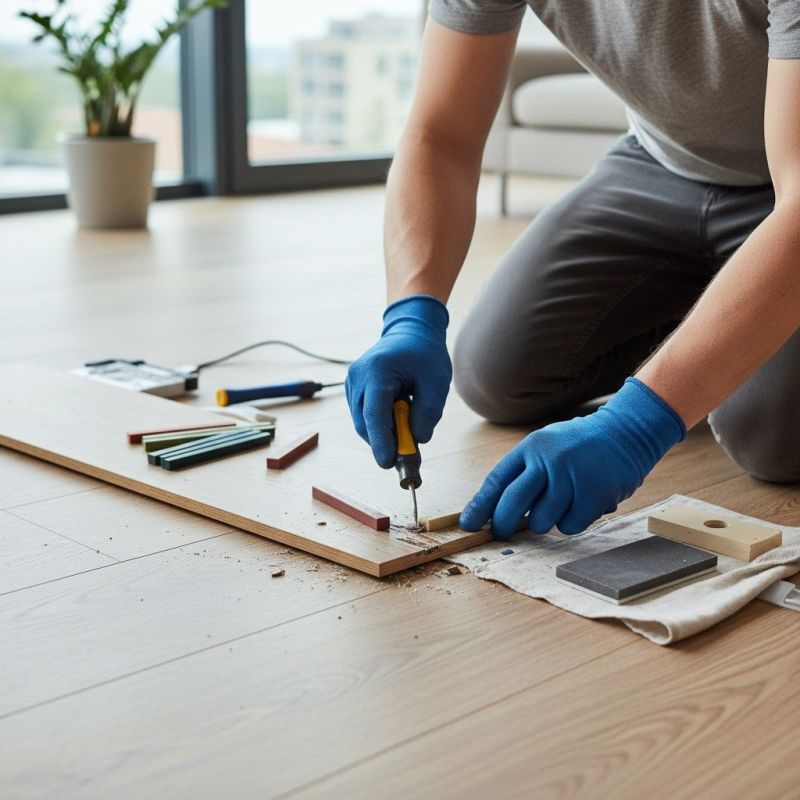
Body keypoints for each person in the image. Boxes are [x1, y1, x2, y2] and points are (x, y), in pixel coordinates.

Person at [345, 1, 800, 539]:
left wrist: (638, 422)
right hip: (661, 165)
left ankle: (719, 336)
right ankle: (708, 327)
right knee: (496, 373)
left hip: (787, 190)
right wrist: (411, 314)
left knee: (768, 435)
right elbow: (440, 135)